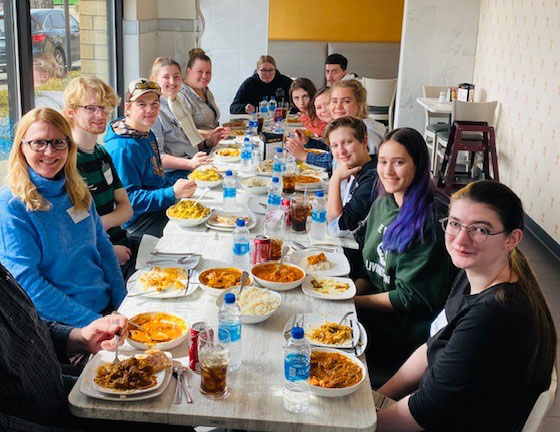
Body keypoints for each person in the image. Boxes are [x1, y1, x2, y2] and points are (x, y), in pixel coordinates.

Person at [376, 180, 557, 432]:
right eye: (454, 223)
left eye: (480, 229)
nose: (461, 239)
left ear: (511, 239)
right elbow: (432, 345)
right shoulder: (475, 271)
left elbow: (425, 411)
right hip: (442, 407)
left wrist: (360, 425)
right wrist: (377, 398)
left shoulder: (495, 316)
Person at [0, 263, 191, 432]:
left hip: (55, 389)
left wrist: (79, 338)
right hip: (35, 420)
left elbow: (29, 327)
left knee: (174, 414)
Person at [0, 107, 126, 327]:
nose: (50, 152)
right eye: (38, 143)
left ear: (69, 146)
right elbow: (28, 284)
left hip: (106, 310)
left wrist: (124, 303)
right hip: (66, 326)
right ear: (21, 148)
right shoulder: (12, 206)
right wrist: (95, 322)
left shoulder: (77, 190)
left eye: (59, 142)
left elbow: (103, 248)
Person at [354, 128, 455, 384]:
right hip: (377, 317)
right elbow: (371, 269)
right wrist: (348, 292)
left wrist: (354, 302)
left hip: (404, 337)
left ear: (418, 165)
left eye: (399, 162)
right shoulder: (383, 203)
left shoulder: (430, 219)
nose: (388, 171)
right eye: (383, 162)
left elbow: (413, 298)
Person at [63, 76, 139, 280]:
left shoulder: (102, 153)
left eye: (105, 107)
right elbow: (71, 230)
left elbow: (126, 208)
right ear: (72, 112)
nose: (101, 114)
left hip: (122, 242)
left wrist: (98, 225)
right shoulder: (65, 161)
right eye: (91, 108)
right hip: (98, 255)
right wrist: (107, 249)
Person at [104, 78, 197, 241]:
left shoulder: (146, 132)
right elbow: (129, 200)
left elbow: (156, 178)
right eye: (142, 104)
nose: (150, 109)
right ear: (128, 108)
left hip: (159, 206)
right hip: (139, 222)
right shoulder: (123, 148)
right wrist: (172, 192)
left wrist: (176, 188)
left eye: (155, 103)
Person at [286, 79, 385, 170]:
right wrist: (309, 141)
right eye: (334, 101)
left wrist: (304, 156)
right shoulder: (347, 126)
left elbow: (338, 162)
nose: (338, 106)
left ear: (360, 104)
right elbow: (333, 149)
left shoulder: (367, 134)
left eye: (346, 101)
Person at [325, 116, 378, 278]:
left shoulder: (371, 179)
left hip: (361, 260)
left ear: (364, 141)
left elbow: (337, 227)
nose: (341, 151)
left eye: (347, 142)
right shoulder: (356, 168)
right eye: (335, 145)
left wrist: (335, 180)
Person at [150, 56, 214, 182]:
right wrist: (190, 164)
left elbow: (189, 140)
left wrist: (210, 142)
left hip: (193, 164)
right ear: (154, 80)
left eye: (176, 76)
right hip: (174, 175)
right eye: (166, 77)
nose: (172, 81)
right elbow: (158, 158)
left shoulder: (177, 102)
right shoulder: (154, 111)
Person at [176, 49, 229, 151]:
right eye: (200, 71)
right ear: (188, 71)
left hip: (213, 146)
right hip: (196, 153)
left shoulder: (205, 90)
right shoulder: (181, 96)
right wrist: (212, 134)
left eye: (208, 72)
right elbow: (183, 131)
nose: (204, 76)